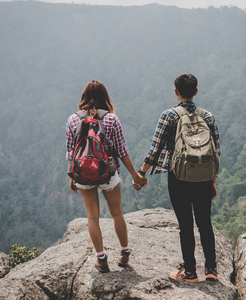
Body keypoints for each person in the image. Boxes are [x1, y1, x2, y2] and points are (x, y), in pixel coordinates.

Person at [134, 74, 220, 282]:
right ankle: (211, 270)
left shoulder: (169, 116)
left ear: (176, 92)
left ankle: (190, 272)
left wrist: (142, 173)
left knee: (185, 224)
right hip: (204, 178)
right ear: (196, 91)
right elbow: (216, 151)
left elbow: (155, 149)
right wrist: (212, 181)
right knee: (204, 223)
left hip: (178, 177)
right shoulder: (207, 116)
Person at [66, 80, 147, 273]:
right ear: (106, 97)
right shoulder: (111, 119)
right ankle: (125, 253)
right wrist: (135, 175)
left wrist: (72, 177)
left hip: (83, 175)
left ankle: (101, 259)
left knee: (92, 217)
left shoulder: (72, 120)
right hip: (108, 174)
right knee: (117, 213)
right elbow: (122, 151)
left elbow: (70, 153)